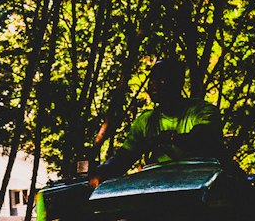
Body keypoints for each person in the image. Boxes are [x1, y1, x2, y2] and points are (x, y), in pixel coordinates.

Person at [97, 56, 227, 178]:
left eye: (162, 79)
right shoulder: (145, 121)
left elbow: (201, 139)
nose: (154, 84)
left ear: (177, 82)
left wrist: (170, 138)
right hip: (160, 185)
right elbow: (123, 158)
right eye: (152, 79)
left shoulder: (201, 111)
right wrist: (102, 171)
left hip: (200, 182)